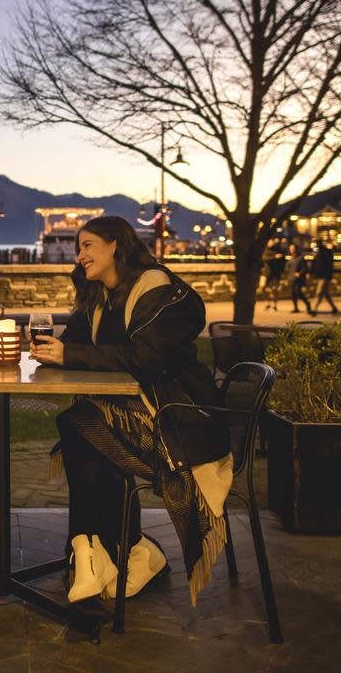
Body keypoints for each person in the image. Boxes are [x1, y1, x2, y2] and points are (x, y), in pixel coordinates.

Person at [30, 216, 230, 607]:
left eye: (88, 245)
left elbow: (146, 357)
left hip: (180, 419)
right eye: (78, 248)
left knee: (81, 426)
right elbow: (74, 343)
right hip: (137, 412)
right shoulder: (100, 297)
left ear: (115, 245)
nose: (80, 255)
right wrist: (55, 351)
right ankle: (120, 551)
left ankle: (97, 551)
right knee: (84, 425)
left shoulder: (155, 288)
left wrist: (70, 354)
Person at [311, 238, 339, 314]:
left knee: (319, 292)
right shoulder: (317, 252)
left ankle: (314, 308)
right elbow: (315, 264)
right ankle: (334, 308)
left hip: (325, 275)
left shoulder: (326, 252)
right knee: (325, 293)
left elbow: (328, 264)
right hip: (321, 275)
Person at [286, 242, 312, 314]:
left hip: (298, 279)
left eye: (293, 249)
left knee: (298, 292)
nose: (292, 250)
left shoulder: (301, 258)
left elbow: (305, 268)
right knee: (292, 293)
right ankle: (295, 308)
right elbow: (287, 268)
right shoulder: (290, 258)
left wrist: (300, 273)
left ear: (296, 249)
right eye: (291, 249)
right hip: (291, 278)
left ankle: (307, 304)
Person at [263, 243, 287, 311]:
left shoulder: (278, 250)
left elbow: (282, 262)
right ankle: (267, 303)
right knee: (262, 287)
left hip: (275, 273)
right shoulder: (265, 250)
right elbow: (264, 258)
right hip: (266, 273)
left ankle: (274, 305)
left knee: (274, 289)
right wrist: (274, 257)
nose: (271, 242)